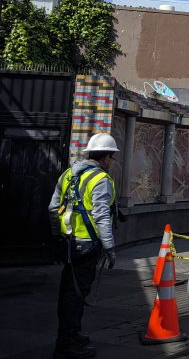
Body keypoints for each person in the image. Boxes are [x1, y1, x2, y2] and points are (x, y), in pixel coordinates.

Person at [48, 133, 119, 359]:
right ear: (106, 157)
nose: (112, 162)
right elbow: (101, 216)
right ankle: (67, 343)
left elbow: (53, 208)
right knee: (75, 296)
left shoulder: (69, 174)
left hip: (68, 244)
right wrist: (109, 247)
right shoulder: (101, 180)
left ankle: (71, 336)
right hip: (86, 247)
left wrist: (57, 236)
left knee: (70, 292)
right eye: (112, 157)